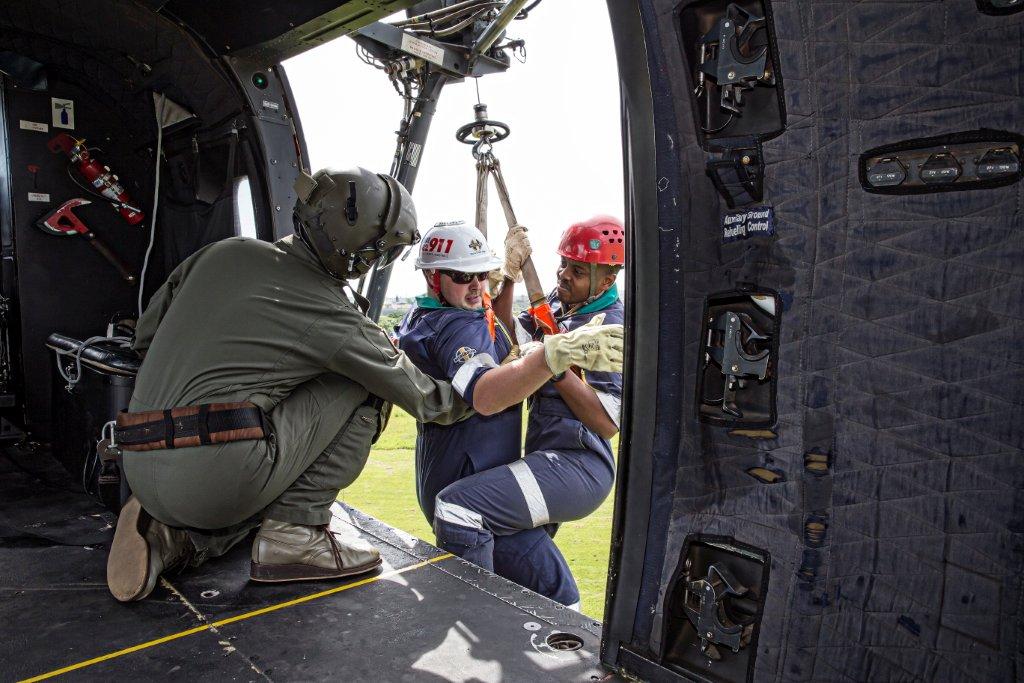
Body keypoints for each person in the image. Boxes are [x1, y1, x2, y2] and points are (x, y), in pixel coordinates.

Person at [106, 167, 473, 602]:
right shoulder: (332, 312)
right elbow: (431, 402)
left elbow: (145, 337)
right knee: (362, 383)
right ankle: (295, 536)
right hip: (210, 480)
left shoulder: (223, 252)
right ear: (362, 253)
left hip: (137, 461)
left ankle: (176, 536)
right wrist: (507, 376)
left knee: (248, 459)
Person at [397, 220, 624, 608]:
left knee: (461, 507)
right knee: (549, 584)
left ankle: (478, 620)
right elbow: (504, 336)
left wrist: (557, 361)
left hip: (577, 464)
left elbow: (606, 422)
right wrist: (510, 280)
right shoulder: (557, 303)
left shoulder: (610, 327)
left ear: (606, 281)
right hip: (542, 458)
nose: (565, 276)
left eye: (579, 270)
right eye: (564, 264)